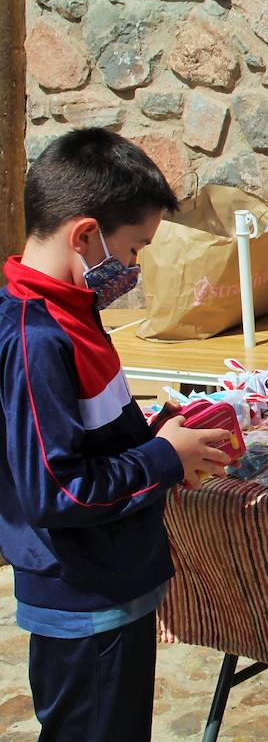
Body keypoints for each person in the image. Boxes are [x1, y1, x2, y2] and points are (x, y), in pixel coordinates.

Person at [0, 129, 232, 742]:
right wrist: (163, 458)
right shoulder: (36, 338)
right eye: (133, 250)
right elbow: (60, 491)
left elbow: (96, 431)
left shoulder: (74, 312)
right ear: (84, 235)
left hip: (114, 580)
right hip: (82, 594)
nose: (131, 269)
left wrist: (160, 429)